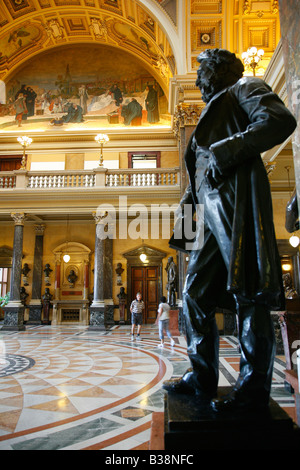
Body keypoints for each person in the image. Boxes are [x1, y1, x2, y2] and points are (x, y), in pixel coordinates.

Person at [163, 48, 297, 413]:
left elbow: (279, 120)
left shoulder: (245, 88)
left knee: (250, 293)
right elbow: (199, 166)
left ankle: (253, 391)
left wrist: (227, 150)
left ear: (219, 71)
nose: (198, 79)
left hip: (236, 202)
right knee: (193, 295)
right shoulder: (212, 107)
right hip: (207, 211)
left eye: (202, 71)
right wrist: (189, 203)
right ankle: (202, 375)